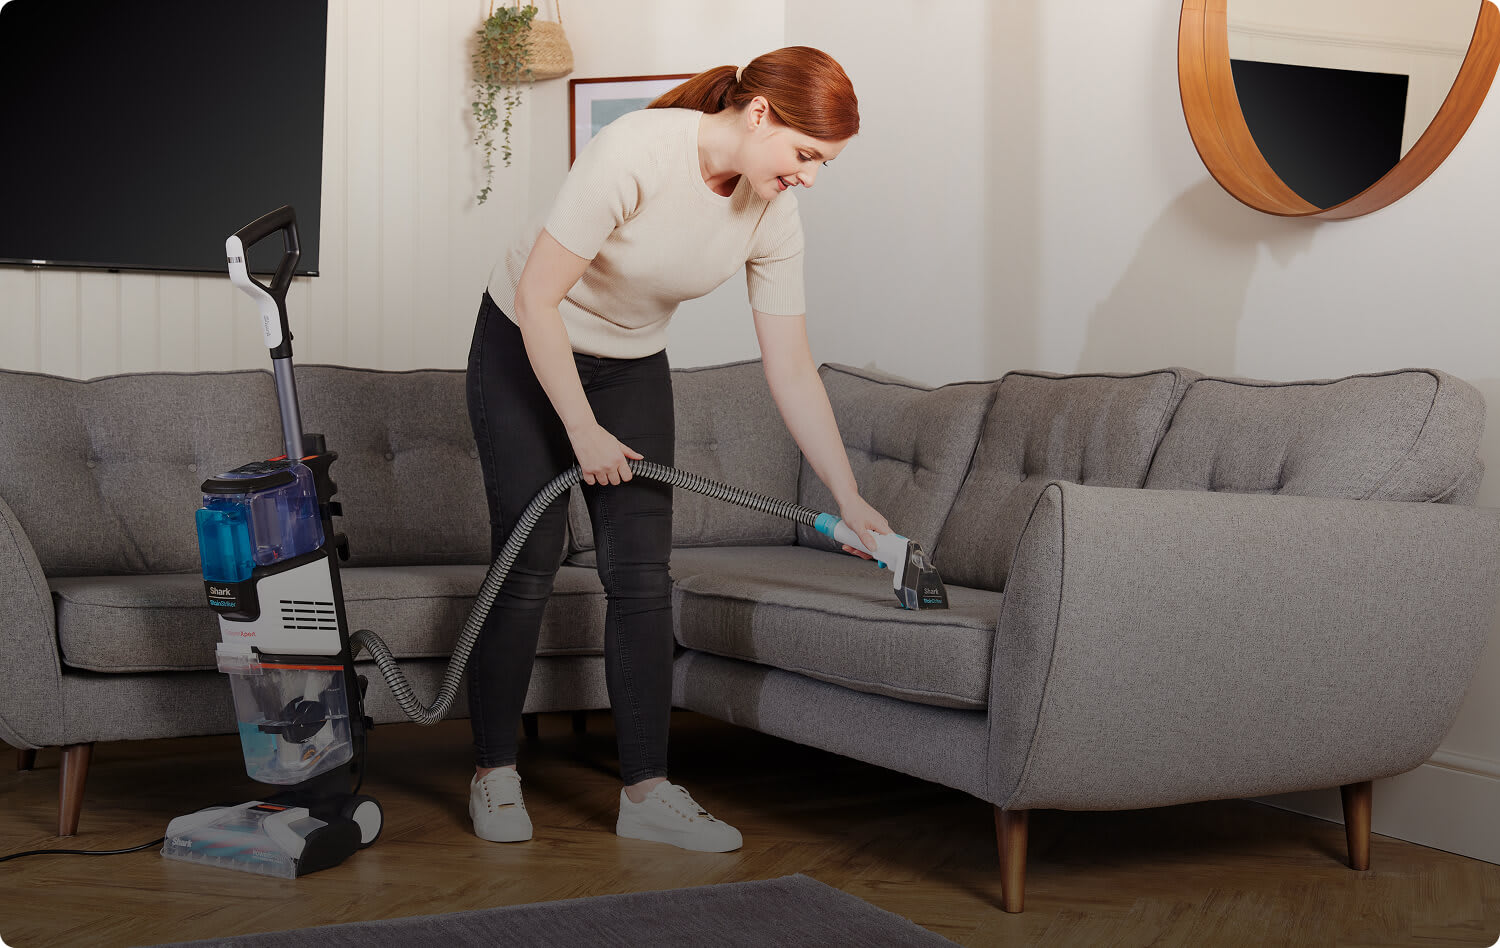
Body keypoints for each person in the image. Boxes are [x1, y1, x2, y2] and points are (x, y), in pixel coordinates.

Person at [464, 45, 890, 853]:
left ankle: (648, 791)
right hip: (524, 344)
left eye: (823, 164)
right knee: (529, 558)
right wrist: (581, 428)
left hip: (630, 361)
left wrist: (848, 495)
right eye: (806, 155)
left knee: (639, 573)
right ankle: (493, 772)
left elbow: (792, 368)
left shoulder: (773, 211)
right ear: (760, 113)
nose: (809, 176)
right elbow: (536, 296)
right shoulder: (636, 152)